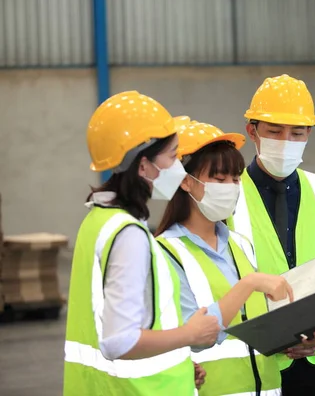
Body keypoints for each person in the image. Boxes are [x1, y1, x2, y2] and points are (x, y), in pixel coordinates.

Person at [63, 91, 222, 395]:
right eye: (174, 156)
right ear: (144, 166)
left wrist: (175, 358)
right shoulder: (128, 235)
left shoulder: (97, 221)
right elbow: (118, 340)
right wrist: (189, 334)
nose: (178, 167)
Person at [226, 74, 315, 395]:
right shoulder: (227, 194)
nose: (286, 140)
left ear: (309, 133)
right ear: (252, 131)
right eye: (274, 131)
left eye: (297, 133)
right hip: (253, 361)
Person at [155, 119, 293, 395]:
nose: (230, 187)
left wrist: (293, 340)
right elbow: (193, 337)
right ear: (185, 182)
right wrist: (249, 284)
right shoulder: (164, 252)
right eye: (219, 179)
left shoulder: (241, 245)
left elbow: (256, 324)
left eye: (236, 179)